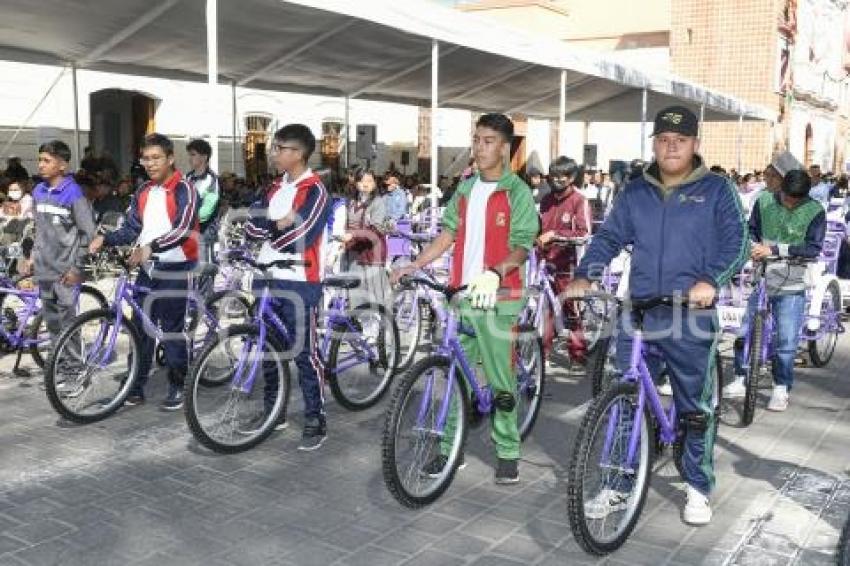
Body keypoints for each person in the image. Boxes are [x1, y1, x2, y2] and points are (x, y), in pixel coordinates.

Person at [565, 105, 748, 525]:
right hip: (640, 310)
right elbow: (610, 236)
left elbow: (736, 243)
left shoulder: (718, 189)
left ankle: (698, 484)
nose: (671, 146)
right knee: (625, 399)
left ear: (694, 144)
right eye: (664, 139)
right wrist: (585, 275)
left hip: (690, 312)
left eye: (680, 140)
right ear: (654, 143)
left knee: (694, 408)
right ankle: (617, 483)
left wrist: (711, 281)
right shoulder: (635, 191)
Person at [391, 113, 539, 484]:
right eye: (477, 139)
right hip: (462, 294)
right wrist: (415, 264)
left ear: (505, 148)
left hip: (500, 296)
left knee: (501, 379)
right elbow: (447, 235)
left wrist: (494, 272)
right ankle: (449, 449)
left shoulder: (517, 193)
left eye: (488, 141)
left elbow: (522, 247)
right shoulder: (466, 188)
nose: (479, 146)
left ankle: (507, 451)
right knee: (455, 375)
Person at [89, 133, 199, 410]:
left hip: (176, 266)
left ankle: (178, 384)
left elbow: (183, 229)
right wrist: (106, 239)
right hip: (148, 268)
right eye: (146, 158)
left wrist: (151, 248)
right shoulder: (143, 191)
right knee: (140, 328)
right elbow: (132, 228)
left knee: (171, 329)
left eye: (156, 158)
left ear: (170, 158)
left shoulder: (184, 189)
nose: (150, 163)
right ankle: (135, 386)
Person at [244, 124, 331, 450]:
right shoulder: (271, 188)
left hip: (299, 281)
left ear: (298, 154)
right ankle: (273, 410)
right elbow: (251, 226)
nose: (274, 153)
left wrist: (273, 228)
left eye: (280, 148)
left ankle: (315, 417)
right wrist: (275, 224)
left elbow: (301, 235)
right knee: (266, 348)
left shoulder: (316, 191)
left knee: (304, 353)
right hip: (266, 275)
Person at [724, 170, 825, 411]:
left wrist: (778, 249)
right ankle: (740, 377)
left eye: (796, 201)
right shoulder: (764, 201)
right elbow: (751, 229)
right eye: (787, 197)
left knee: (787, 339)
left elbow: (813, 248)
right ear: (780, 189)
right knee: (745, 330)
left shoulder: (815, 211)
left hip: (794, 279)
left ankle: (781, 387)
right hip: (763, 275)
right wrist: (752, 245)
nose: (790, 203)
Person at [19, 141, 95, 355]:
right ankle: (59, 366)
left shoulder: (73, 193)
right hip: (45, 271)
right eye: (40, 160)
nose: (41, 165)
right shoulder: (38, 191)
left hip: (66, 273)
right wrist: (33, 256)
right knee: (53, 324)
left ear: (62, 165)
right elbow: (39, 230)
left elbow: (87, 234)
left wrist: (76, 268)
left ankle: (72, 370)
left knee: (68, 324)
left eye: (46, 160)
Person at [537, 156, 591, 362]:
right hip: (544, 262)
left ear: (571, 177)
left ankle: (578, 354)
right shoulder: (546, 200)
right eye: (554, 175)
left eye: (562, 176)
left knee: (571, 308)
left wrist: (555, 235)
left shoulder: (579, 200)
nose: (557, 180)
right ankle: (543, 351)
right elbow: (538, 228)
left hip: (568, 264)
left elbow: (584, 233)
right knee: (546, 307)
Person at [343, 169, 390, 309]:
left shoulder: (378, 202)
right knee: (356, 292)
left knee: (373, 292)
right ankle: (360, 323)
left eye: (369, 181)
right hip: (354, 252)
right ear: (356, 183)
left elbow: (376, 231)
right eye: (361, 181)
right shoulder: (351, 202)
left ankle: (376, 326)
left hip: (372, 254)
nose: (365, 184)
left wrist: (353, 235)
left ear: (375, 183)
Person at [185, 139, 220, 299]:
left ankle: (208, 306)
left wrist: (185, 217)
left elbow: (206, 212)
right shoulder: (188, 177)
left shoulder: (212, 180)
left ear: (204, 157)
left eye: (193, 155)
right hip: (188, 231)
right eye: (189, 155)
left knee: (204, 270)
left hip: (205, 232)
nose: (189, 158)